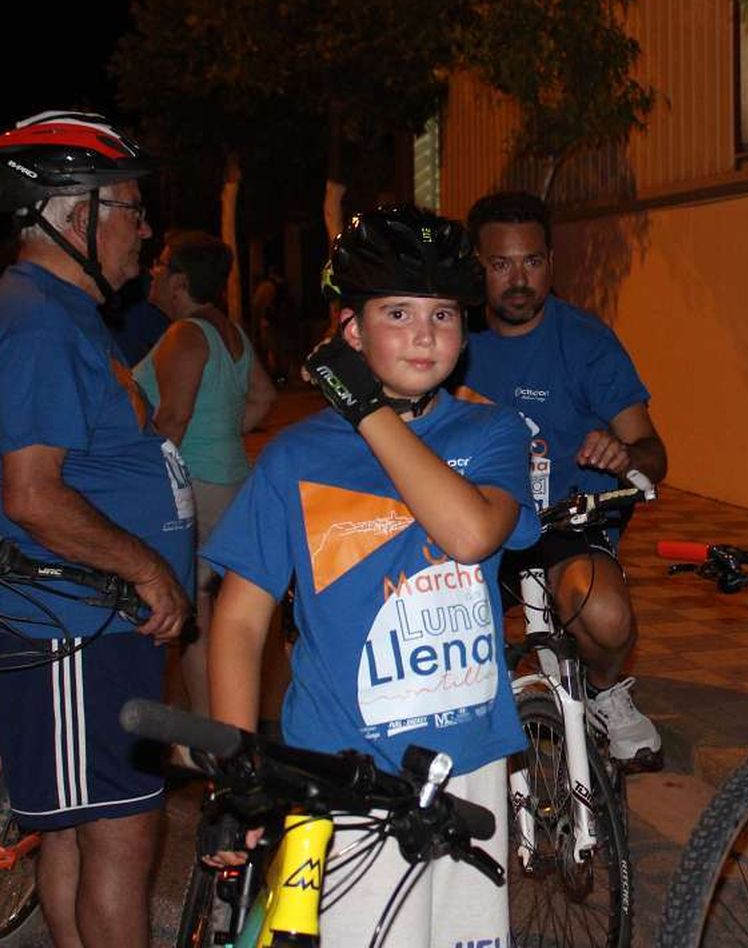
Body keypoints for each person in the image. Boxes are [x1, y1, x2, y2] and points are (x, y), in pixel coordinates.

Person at [202, 205, 536, 945]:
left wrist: (364, 410)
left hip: (469, 762)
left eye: (443, 312)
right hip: (341, 772)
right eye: (397, 312)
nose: (424, 333)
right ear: (349, 331)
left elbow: (472, 532)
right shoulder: (294, 458)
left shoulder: (491, 433)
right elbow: (240, 617)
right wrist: (237, 767)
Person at [0, 111, 193, 948]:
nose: (145, 228)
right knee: (119, 838)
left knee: (81, 828)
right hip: (76, 624)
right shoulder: (36, 323)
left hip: (92, 625)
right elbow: (32, 494)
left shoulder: (59, 311)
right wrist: (147, 569)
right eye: (131, 208)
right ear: (76, 216)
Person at [451, 190, 669, 770]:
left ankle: (601, 691)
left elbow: (654, 452)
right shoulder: (450, 339)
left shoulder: (586, 341)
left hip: (562, 522)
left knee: (605, 615)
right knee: (455, 654)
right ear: (479, 266)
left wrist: (624, 454)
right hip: (477, 523)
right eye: (501, 265)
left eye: (533, 262)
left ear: (551, 260)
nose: (519, 280)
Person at [134, 230, 276, 723]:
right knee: (213, 612)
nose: (153, 271)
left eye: (161, 265)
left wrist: (139, 477)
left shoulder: (186, 334)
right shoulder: (227, 329)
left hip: (195, 489)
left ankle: (207, 739)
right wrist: (219, 437)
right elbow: (262, 398)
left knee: (190, 616)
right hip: (231, 483)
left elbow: (172, 419)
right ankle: (222, 724)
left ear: (179, 281)